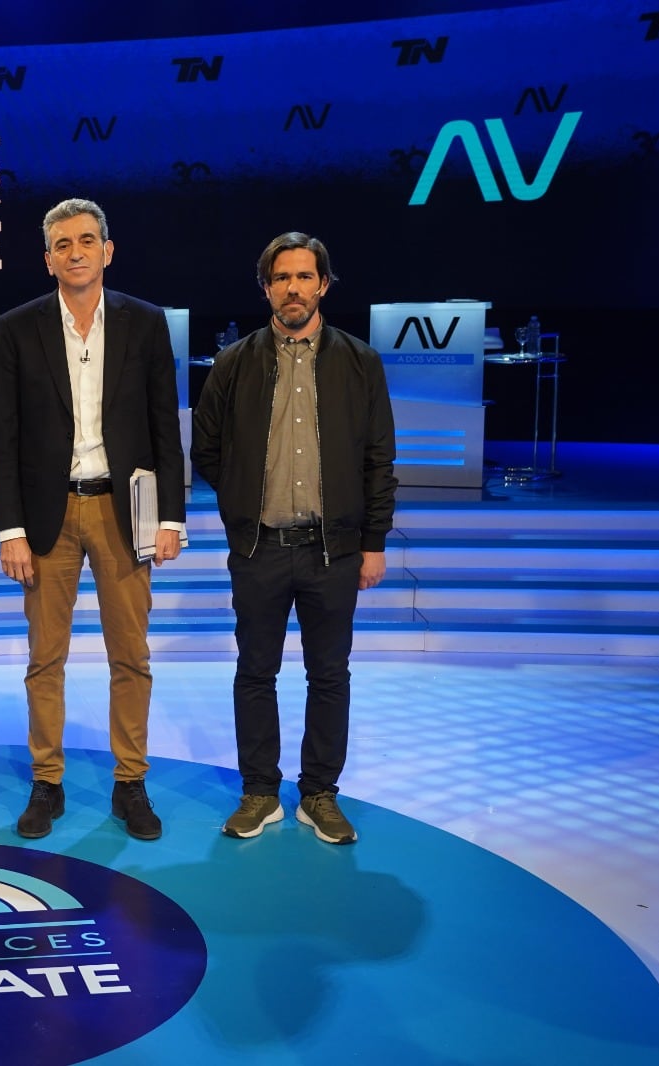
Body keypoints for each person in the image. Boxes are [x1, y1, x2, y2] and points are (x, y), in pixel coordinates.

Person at [0, 198, 185, 842]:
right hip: (48, 515)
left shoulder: (146, 322)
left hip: (126, 510)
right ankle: (48, 782)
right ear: (47, 259)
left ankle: (131, 781)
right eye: (62, 243)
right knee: (46, 658)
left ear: (108, 250)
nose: (75, 251)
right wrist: (9, 529)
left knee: (131, 655)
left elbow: (164, 426)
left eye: (86, 240)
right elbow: (4, 435)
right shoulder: (17, 328)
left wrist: (172, 517)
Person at [190, 231, 397, 845]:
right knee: (256, 671)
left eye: (305, 277)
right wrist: (241, 512)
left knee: (329, 675)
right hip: (261, 550)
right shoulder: (235, 362)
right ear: (266, 289)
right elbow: (207, 449)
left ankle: (319, 795)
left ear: (323, 285)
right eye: (282, 278)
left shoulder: (360, 361)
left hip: (334, 552)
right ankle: (259, 792)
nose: (293, 288)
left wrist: (375, 541)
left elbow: (379, 458)